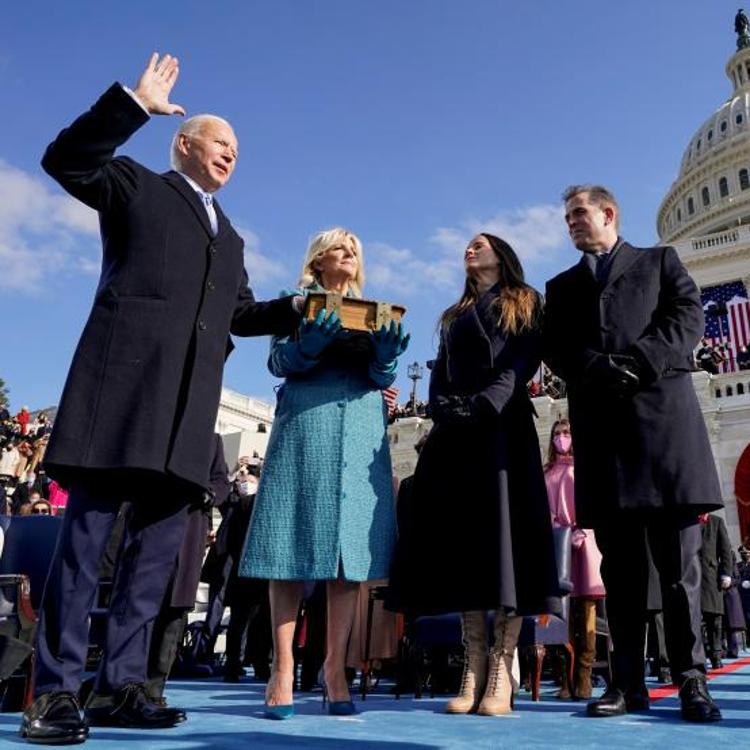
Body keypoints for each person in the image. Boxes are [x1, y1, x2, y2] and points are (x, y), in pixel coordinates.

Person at [21, 53, 302, 745]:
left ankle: (122, 688)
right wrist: (133, 104)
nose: (232, 152)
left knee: (150, 565)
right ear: (184, 143)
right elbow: (65, 159)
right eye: (220, 141)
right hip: (119, 399)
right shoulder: (135, 186)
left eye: (238, 148)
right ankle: (53, 693)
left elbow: (238, 313)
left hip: (185, 420)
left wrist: (298, 308)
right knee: (86, 551)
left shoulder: (231, 236)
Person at [543, 184, 724, 723]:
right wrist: (594, 367)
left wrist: (640, 362)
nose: (572, 222)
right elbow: (555, 343)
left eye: (580, 213)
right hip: (606, 442)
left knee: (679, 571)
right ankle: (626, 684)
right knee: (620, 576)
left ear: (608, 213)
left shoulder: (660, 262)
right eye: (567, 217)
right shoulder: (562, 285)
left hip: (665, 434)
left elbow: (687, 317)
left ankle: (692, 681)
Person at [239, 227, 408, 719]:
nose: (349, 253)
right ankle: (282, 666)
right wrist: (306, 348)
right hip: (306, 424)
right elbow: (277, 362)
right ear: (317, 261)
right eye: (339, 247)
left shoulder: (375, 312)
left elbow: (381, 379)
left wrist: (387, 358)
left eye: (355, 248)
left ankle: (336, 669)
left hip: (359, 428)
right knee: (289, 547)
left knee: (348, 554)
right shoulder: (295, 305)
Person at [388, 233, 561, 717]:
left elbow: (523, 360)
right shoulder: (453, 315)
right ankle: (473, 662)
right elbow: (441, 369)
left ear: (501, 255)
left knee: (505, 543)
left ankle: (502, 665)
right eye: (467, 244)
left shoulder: (526, 301)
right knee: (465, 548)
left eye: (480, 244)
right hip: (457, 434)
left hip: (502, 429)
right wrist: (445, 407)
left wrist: (489, 402)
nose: (470, 248)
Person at [543, 418, 605, 700]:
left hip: (584, 542)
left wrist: (580, 530)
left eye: (566, 433)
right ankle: (564, 680)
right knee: (562, 614)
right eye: (557, 433)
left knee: (587, 611)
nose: (562, 437)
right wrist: (557, 531)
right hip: (558, 546)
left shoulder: (584, 469)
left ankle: (584, 676)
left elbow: (592, 504)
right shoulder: (545, 473)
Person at [698, 512, 732, 669]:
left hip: (711, 579)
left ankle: (716, 655)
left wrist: (726, 574)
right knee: (694, 622)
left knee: (715, 620)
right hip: (691, 578)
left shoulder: (717, 522)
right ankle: (698, 657)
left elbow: (726, 550)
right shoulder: (688, 521)